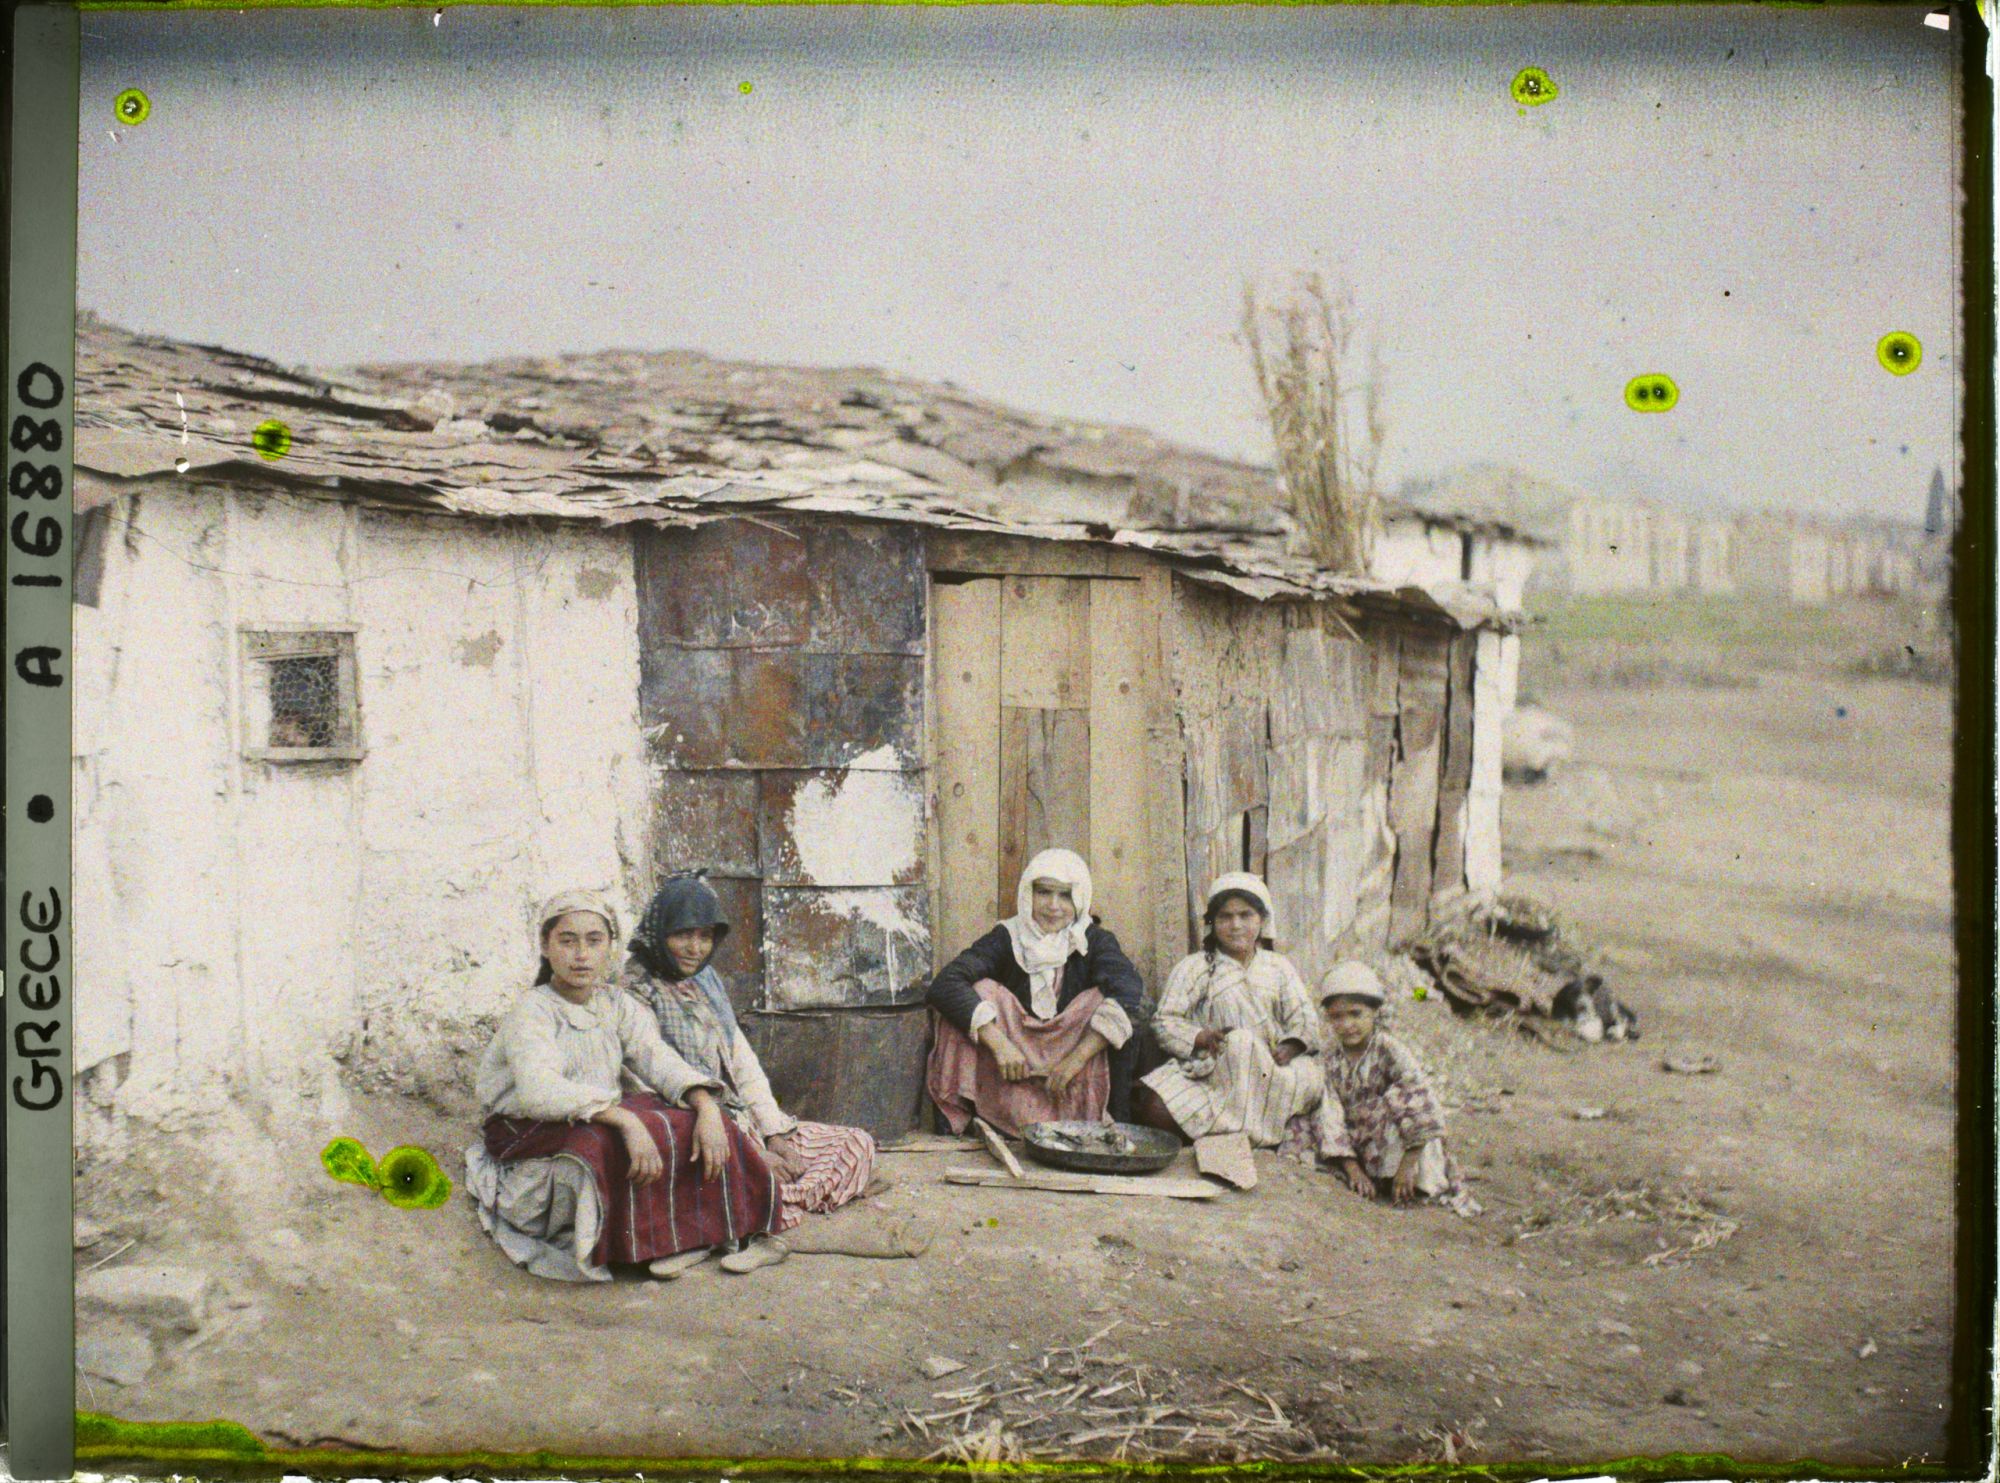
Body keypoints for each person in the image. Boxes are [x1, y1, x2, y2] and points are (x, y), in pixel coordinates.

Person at [463, 889, 783, 1283]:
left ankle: (728, 1232)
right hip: (529, 1131)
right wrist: (627, 1122)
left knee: (686, 1123)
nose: (581, 954)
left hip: (594, 1116)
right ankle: (643, 1247)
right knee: (606, 1144)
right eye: (568, 940)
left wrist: (705, 1105)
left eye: (594, 941)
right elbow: (537, 1091)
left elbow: (657, 1058)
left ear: (610, 947)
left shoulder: (616, 1004)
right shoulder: (533, 1010)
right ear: (546, 946)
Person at [622, 872, 883, 1274]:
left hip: (740, 1120)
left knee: (856, 1144)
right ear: (660, 931)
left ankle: (755, 1204)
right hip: (691, 1128)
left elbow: (741, 1061)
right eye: (683, 935)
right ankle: (750, 1204)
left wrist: (774, 1134)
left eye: (706, 936)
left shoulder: (705, 979)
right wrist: (751, 1151)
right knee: (727, 1167)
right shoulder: (633, 990)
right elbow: (648, 1085)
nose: (695, 948)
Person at [925, 848, 1148, 1137]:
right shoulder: (1008, 937)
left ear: (1080, 898)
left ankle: (1108, 1125)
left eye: (1065, 895)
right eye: (1044, 892)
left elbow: (1131, 996)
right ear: (1028, 893)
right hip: (1014, 1062)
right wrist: (1000, 1044)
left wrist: (1078, 1057)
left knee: (1107, 1005)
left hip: (1071, 1065)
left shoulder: (1093, 941)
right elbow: (946, 983)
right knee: (975, 994)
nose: (1053, 906)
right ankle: (972, 1123)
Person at [1137, 873, 1323, 1147]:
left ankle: (1230, 1130)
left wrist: (1291, 1046)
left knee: (1313, 1081)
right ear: (1213, 923)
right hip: (1213, 1071)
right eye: (1225, 917)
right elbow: (1164, 1021)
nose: (1236, 926)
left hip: (1269, 1070)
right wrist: (1201, 1037)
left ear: (1262, 920)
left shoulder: (1279, 968)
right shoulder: (1195, 967)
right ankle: (1255, 1130)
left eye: (1246, 915)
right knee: (1154, 1106)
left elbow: (1305, 1019)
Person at [1294, 960, 1481, 1217]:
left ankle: (1412, 1183)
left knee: (1401, 1104)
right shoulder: (1329, 1059)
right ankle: (1373, 1178)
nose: (1347, 1024)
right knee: (1311, 1115)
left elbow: (1419, 1103)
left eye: (1356, 1014)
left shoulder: (1391, 1050)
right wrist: (1352, 1169)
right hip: (1359, 1144)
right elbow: (1330, 1113)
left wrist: (1407, 1165)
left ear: (1374, 1013)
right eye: (1337, 1016)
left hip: (1402, 1142)